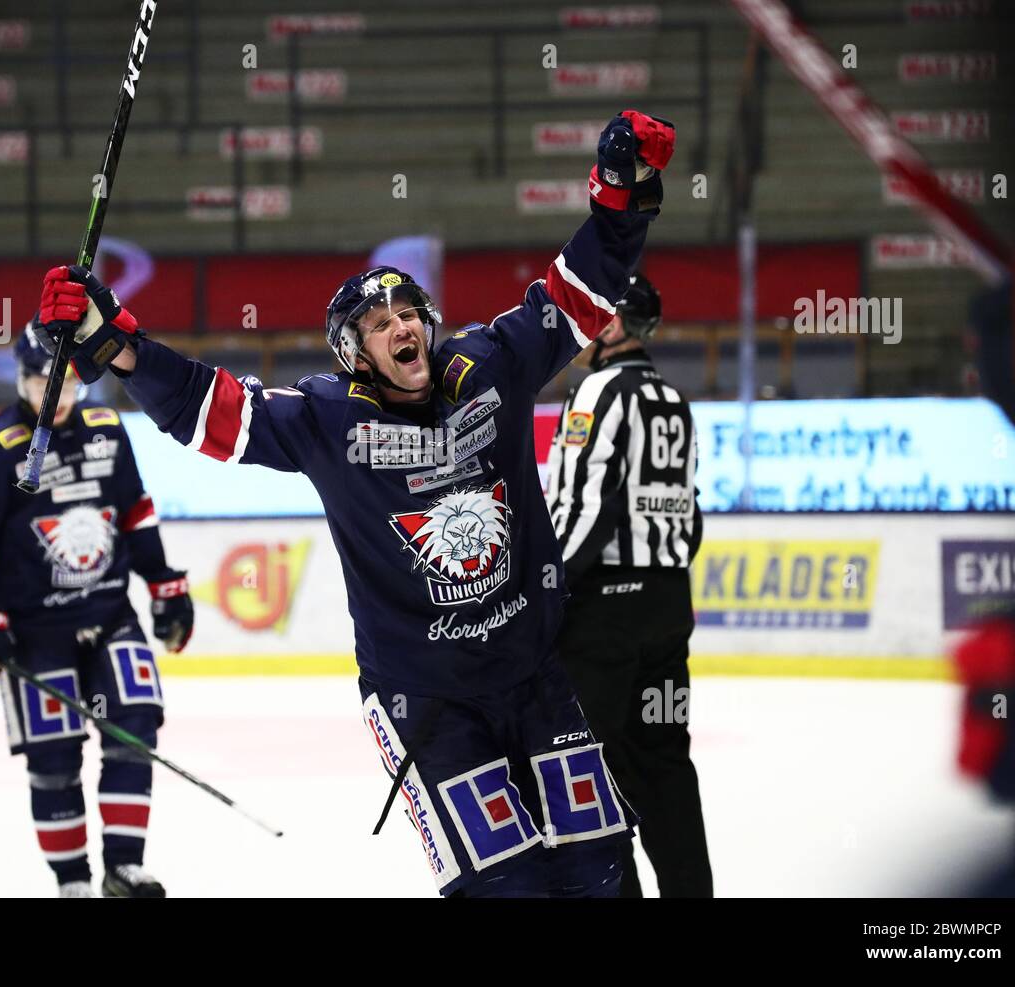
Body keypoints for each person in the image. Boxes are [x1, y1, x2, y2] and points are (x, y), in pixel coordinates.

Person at [35, 109, 676, 897]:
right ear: (353, 352)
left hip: (536, 676)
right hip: (429, 703)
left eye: (410, 313)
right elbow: (212, 413)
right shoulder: (328, 419)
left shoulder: (491, 366)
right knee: (507, 887)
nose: (403, 326)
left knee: (603, 875)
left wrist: (621, 193)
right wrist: (116, 341)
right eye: (380, 324)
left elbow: (577, 297)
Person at [0, 322, 195, 897]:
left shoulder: (107, 429)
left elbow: (135, 511)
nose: (57, 396)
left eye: (70, 383)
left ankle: (123, 867)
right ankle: (73, 882)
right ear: (23, 379)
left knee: (133, 724)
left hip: (109, 616)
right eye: (44, 383)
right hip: (35, 632)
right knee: (53, 756)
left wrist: (163, 583)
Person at [546, 273, 712, 896]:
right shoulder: (674, 400)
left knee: (592, 775)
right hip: (669, 609)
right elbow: (688, 516)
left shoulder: (597, 392)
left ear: (614, 325)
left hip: (604, 619)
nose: (588, 328)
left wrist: (547, 594)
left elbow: (587, 508)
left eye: (597, 317)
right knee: (665, 766)